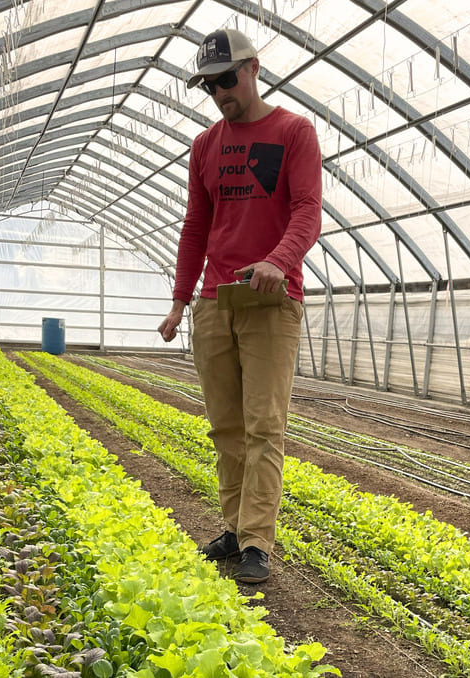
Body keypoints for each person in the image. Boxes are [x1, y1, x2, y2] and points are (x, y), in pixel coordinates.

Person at [157, 28, 322, 584]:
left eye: (227, 79)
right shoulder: (205, 146)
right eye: (209, 85)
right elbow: (196, 226)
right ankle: (234, 528)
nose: (221, 93)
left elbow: (307, 210)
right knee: (224, 427)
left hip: (271, 302)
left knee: (263, 426)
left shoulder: (293, 132)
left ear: (254, 68)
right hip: (213, 303)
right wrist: (181, 301)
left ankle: (257, 541)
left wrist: (278, 260)